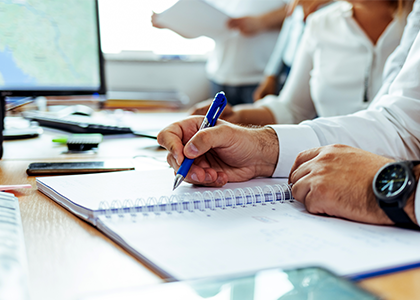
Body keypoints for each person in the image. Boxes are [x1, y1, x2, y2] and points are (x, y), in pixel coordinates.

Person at [157, 0, 420, 227]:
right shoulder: (321, 23)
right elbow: (403, 125)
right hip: (332, 168)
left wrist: (396, 193)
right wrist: (257, 145)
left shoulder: (408, 20)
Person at [190, 0, 413, 126]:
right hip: (329, 167)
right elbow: (293, 109)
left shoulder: (414, 25)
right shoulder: (320, 23)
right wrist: (237, 116)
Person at [152, 1, 287, 106]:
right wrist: (173, 21)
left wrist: (261, 21)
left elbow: (296, 9)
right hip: (220, 75)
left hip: (262, 77)